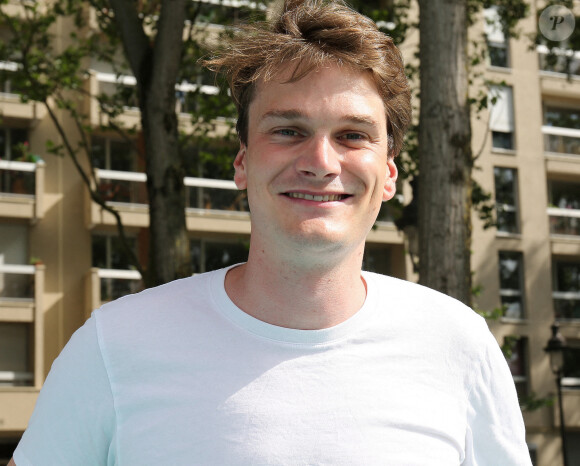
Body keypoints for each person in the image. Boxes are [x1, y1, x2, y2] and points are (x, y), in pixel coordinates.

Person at [11, 0, 531, 464]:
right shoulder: (114, 345)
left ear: (389, 174)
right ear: (242, 162)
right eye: (288, 131)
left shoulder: (458, 345)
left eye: (352, 135)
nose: (321, 162)